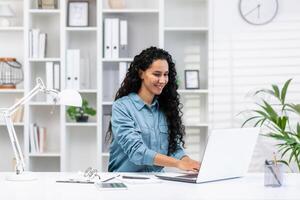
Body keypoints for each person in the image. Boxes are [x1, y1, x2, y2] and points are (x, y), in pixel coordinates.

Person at [106, 46, 200, 172]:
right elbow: (136, 151)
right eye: (157, 74)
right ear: (141, 73)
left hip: (157, 181)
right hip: (126, 182)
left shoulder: (166, 108)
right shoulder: (122, 107)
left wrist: (186, 160)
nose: (162, 80)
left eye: (166, 75)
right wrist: (178, 164)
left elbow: (173, 146)